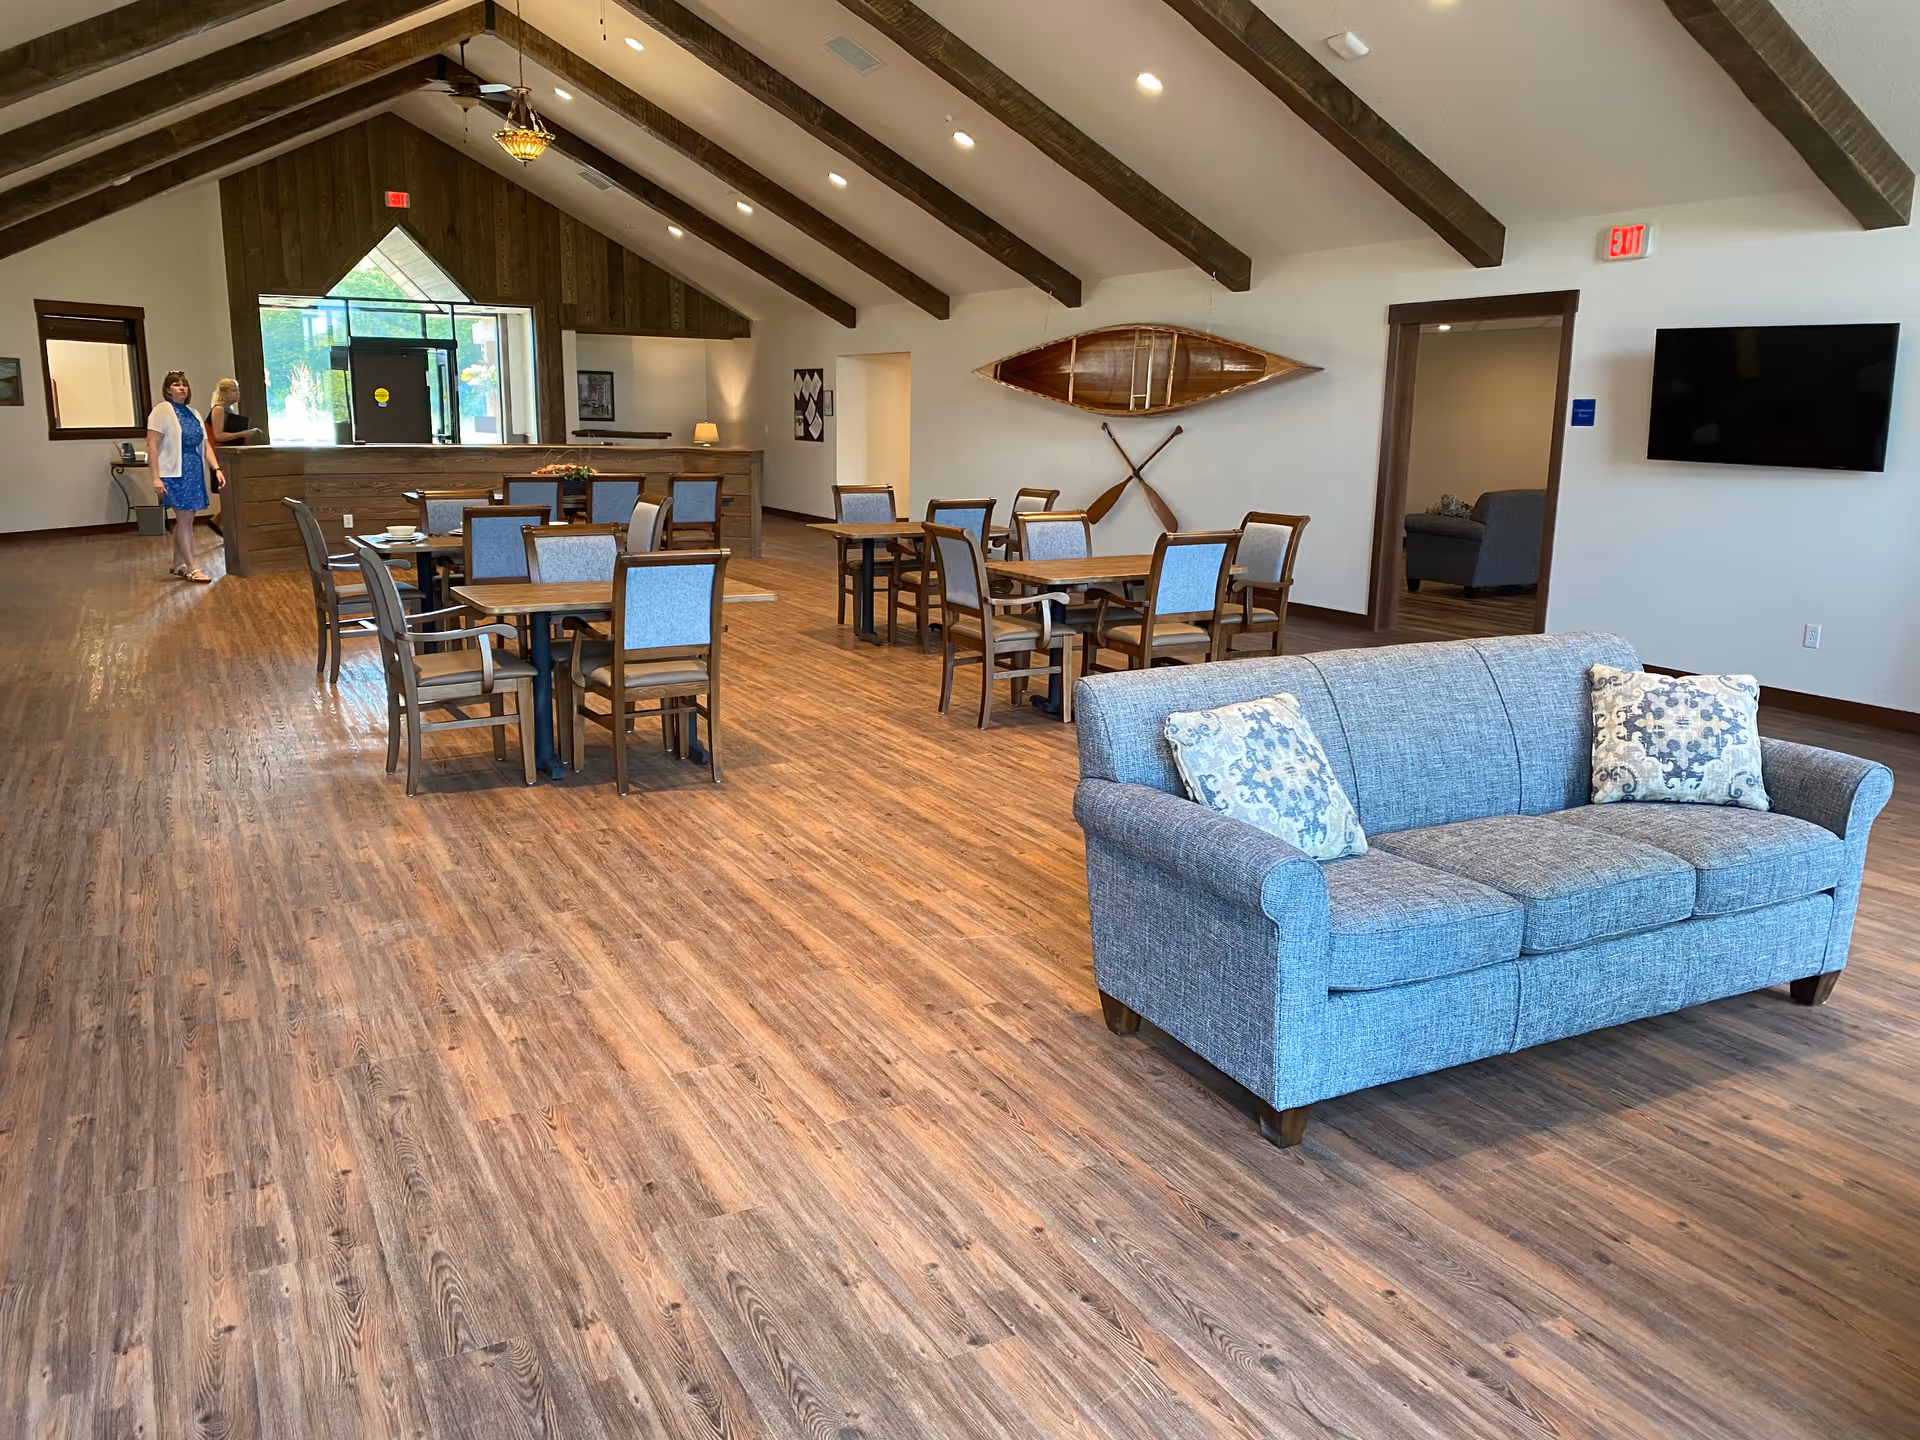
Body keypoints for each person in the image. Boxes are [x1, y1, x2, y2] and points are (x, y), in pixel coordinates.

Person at [146, 371, 225, 583]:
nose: (182, 388)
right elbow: (152, 444)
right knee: (185, 520)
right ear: (168, 389)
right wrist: (156, 478)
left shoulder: (194, 413)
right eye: (176, 385)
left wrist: (216, 468)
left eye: (184, 385)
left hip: (193, 470)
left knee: (186, 519)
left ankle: (177, 563)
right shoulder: (162, 410)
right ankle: (192, 567)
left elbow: (205, 444)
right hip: (173, 472)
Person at [205, 377, 262, 448]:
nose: (238, 393)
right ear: (224, 393)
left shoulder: (228, 409)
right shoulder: (218, 409)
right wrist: (243, 434)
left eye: (238, 390)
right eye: (234, 390)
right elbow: (219, 436)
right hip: (217, 450)